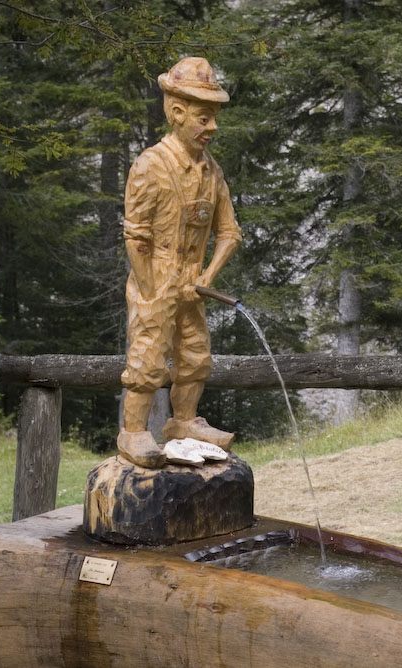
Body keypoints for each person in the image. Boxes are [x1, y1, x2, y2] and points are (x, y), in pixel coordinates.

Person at [117, 57, 242, 468]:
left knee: (195, 356)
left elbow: (230, 233)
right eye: (204, 118)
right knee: (147, 357)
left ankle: (183, 422)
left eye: (214, 118)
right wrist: (152, 290)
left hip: (192, 283)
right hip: (155, 277)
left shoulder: (213, 172)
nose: (213, 128)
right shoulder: (150, 165)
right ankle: (133, 432)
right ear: (176, 113)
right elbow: (136, 235)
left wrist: (205, 277)